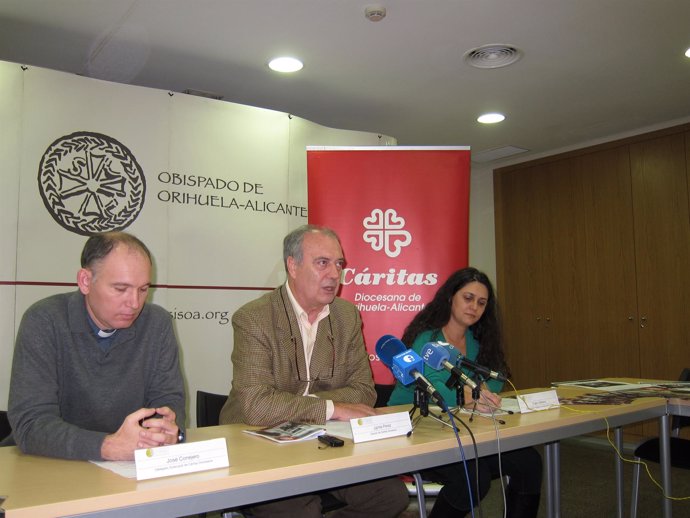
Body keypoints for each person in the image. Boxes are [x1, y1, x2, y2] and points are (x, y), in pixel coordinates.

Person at [220, 224, 409, 518]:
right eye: (323, 263)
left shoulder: (346, 315)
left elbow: (363, 391)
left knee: (390, 496)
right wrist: (332, 407)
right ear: (292, 266)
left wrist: (289, 404)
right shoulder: (254, 318)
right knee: (301, 511)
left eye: (339, 264)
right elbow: (256, 405)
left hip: (325, 441)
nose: (335, 274)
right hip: (258, 441)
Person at [4, 232, 186, 460]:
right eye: (120, 289)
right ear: (85, 281)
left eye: (143, 289)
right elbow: (30, 424)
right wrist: (107, 446)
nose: (135, 303)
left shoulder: (157, 323)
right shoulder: (44, 320)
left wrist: (166, 430)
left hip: (128, 466)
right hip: (46, 465)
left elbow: (168, 399)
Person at [388, 267, 542, 518]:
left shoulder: (477, 341)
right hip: (416, 431)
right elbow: (434, 383)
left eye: (481, 303)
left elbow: (494, 379)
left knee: (529, 462)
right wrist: (471, 396)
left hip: (459, 430)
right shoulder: (427, 339)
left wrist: (485, 395)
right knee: (474, 478)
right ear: (451, 297)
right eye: (468, 298)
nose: (474, 307)